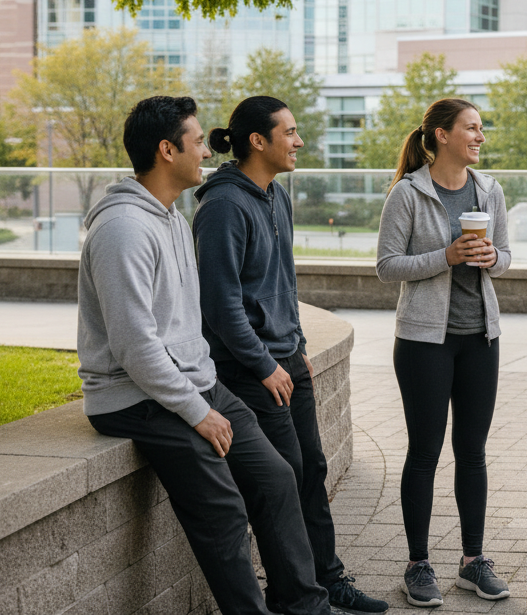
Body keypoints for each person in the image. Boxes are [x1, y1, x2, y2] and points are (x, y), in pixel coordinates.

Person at [78, 95, 356, 615]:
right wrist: (198, 410)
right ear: (166, 150)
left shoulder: (171, 219)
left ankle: (305, 605)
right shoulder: (123, 230)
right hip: (133, 396)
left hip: (190, 381)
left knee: (277, 477)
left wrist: (208, 393)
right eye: (198, 141)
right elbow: (135, 347)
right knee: (225, 508)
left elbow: (185, 329)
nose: (208, 150)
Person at [192, 96, 389, 614]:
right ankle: (301, 597)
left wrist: (295, 348)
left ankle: (324, 581)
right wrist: (264, 365)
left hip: (287, 360)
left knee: (311, 471)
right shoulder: (223, 207)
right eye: (291, 132)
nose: (300, 142)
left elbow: (281, 282)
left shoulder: (275, 196)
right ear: (258, 141)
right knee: (287, 480)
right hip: (251, 370)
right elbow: (220, 303)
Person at [375, 98, 513, 608]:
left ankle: (473, 562)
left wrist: (492, 256)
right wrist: (446, 257)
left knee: (472, 453)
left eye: (481, 128)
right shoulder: (408, 194)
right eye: (471, 128)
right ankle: (418, 564)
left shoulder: (489, 190)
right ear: (440, 135)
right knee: (425, 453)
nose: (480, 136)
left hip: (480, 337)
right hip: (422, 343)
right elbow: (387, 266)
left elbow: (506, 258)